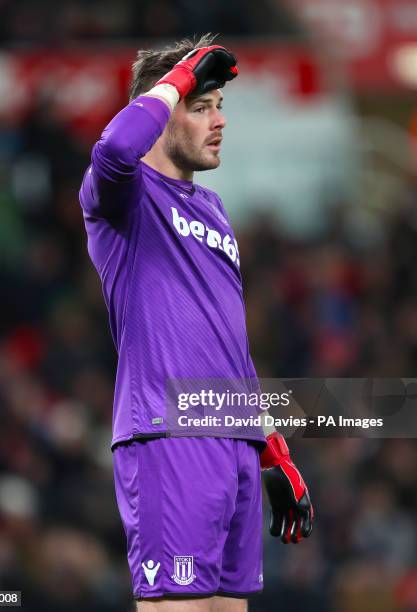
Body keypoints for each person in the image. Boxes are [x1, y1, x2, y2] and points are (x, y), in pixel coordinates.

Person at [79, 33, 314, 611]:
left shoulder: (213, 210)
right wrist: (178, 77)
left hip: (231, 440)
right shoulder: (123, 197)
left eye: (220, 107)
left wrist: (271, 449)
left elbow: (230, 343)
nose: (219, 122)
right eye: (201, 106)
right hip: (167, 434)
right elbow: (112, 149)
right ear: (161, 112)